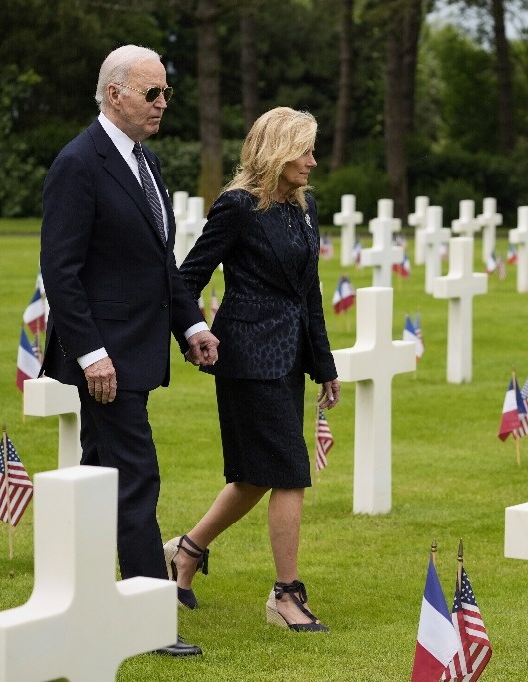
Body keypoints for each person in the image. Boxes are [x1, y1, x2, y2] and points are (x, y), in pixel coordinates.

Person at [39, 44, 219, 657]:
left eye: (167, 92)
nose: (163, 103)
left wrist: (191, 325)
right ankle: (146, 616)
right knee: (136, 474)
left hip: (140, 348)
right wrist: (90, 354)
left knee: (101, 472)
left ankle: (86, 594)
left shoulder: (148, 162)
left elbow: (159, 261)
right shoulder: (79, 163)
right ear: (114, 94)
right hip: (105, 357)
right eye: (153, 93)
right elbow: (60, 271)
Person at [166, 106, 341, 633]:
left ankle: (186, 551)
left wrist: (324, 364)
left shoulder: (303, 205)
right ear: (276, 152)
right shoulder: (237, 207)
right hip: (246, 357)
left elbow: (308, 291)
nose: (313, 160)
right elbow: (186, 277)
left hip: (288, 360)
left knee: (253, 477)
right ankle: (285, 596)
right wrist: (194, 332)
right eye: (304, 150)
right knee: (288, 471)